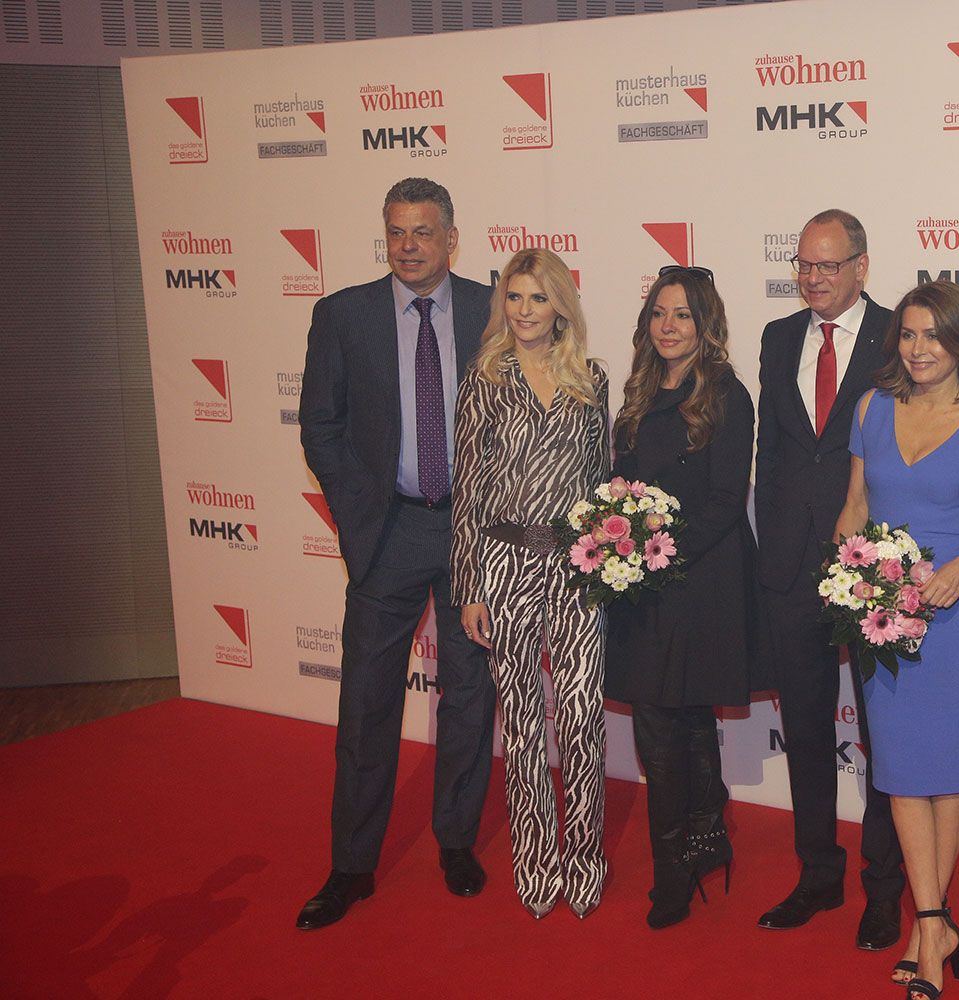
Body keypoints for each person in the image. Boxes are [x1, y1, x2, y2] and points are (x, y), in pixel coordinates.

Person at [296, 177, 497, 929]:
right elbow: (321, 425)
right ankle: (351, 866)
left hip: (473, 534)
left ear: (452, 238)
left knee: (469, 696)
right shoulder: (342, 314)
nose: (408, 246)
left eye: (422, 232)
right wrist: (360, 514)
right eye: (396, 232)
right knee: (367, 702)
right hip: (389, 534)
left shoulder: (492, 310)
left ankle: (457, 843)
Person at [835, 281, 959, 1000]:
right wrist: (844, 582)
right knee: (901, 773)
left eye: (934, 335)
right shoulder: (871, 409)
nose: (918, 349)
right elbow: (856, 506)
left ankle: (930, 927)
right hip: (881, 617)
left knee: (945, 772)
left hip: (950, 615)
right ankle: (934, 921)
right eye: (908, 335)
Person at [755, 209, 906, 951]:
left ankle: (884, 887)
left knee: (884, 736)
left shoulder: (899, 334)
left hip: (869, 566)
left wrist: (880, 553)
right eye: (804, 265)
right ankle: (818, 874)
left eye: (828, 265)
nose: (813, 278)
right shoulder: (779, 336)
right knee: (807, 730)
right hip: (790, 566)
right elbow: (777, 451)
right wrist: (773, 546)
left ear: (861, 266)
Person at [449, 247, 610, 919]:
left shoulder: (591, 379)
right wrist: (469, 587)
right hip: (505, 560)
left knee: (581, 714)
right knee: (519, 721)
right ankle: (538, 862)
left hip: (575, 566)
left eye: (538, 298)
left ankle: (586, 862)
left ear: (560, 306)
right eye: (513, 297)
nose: (524, 310)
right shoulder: (485, 378)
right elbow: (468, 490)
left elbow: (601, 483)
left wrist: (607, 560)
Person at [604, 266, 764, 929]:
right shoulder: (639, 390)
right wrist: (618, 545)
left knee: (675, 721)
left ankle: (676, 866)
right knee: (671, 719)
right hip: (642, 583)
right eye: (659, 313)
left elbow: (726, 501)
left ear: (706, 325)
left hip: (701, 581)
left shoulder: (726, 394)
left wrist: (655, 555)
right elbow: (620, 485)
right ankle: (703, 839)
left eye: (683, 315)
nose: (668, 326)